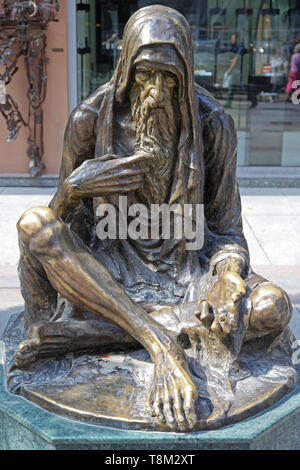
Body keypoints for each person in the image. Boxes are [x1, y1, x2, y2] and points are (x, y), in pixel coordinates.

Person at [15, 6, 292, 431]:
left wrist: (230, 275)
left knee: (273, 307)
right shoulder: (89, 121)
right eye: (145, 76)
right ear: (126, 71)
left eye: (169, 79)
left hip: (187, 278)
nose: (156, 95)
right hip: (106, 275)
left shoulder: (213, 124)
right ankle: (161, 339)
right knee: (34, 223)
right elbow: (56, 235)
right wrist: (74, 189)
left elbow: (226, 231)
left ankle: (94, 335)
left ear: (185, 78)